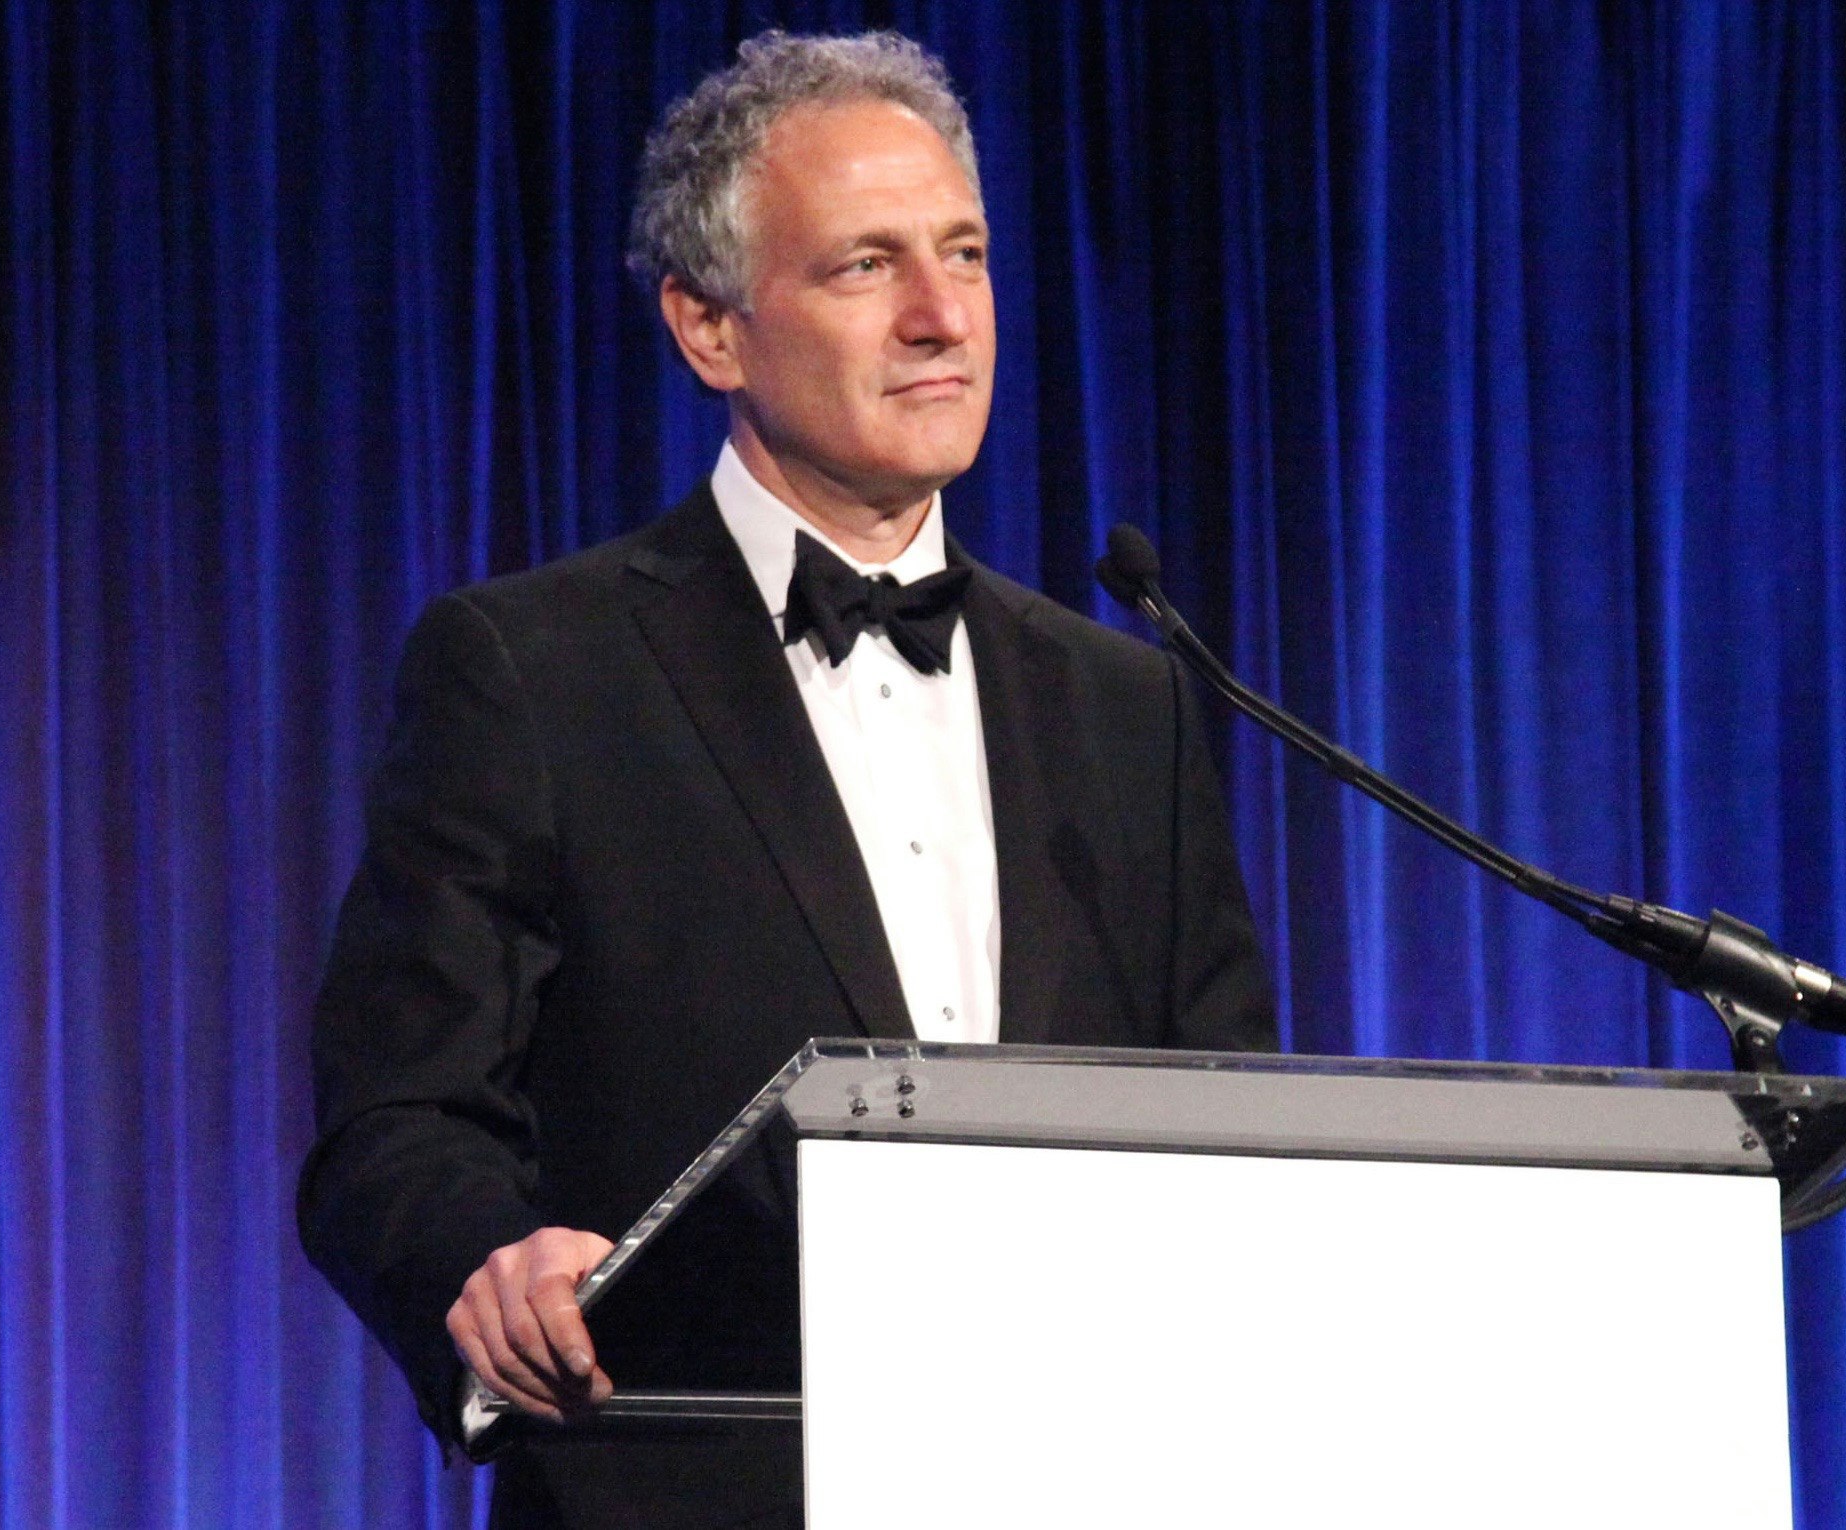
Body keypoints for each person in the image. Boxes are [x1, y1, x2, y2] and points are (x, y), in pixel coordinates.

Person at [297, 30, 1275, 1529]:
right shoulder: (534, 669)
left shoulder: (1125, 697)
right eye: (866, 267)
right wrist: (486, 1261)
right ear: (710, 329)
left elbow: (1229, 1128)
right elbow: (397, 1121)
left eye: (965, 252)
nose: (946, 317)